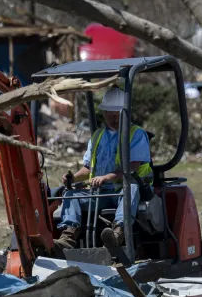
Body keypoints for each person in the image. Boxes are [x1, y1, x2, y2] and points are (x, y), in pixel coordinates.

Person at [54, 87, 153, 252]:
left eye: (117, 113)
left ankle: (118, 233)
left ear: (125, 112)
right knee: (71, 193)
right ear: (104, 113)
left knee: (131, 188)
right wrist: (73, 178)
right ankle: (69, 236)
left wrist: (106, 177)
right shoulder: (98, 136)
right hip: (101, 191)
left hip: (126, 189)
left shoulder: (136, 134)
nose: (113, 117)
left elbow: (132, 168)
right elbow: (87, 168)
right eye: (110, 113)